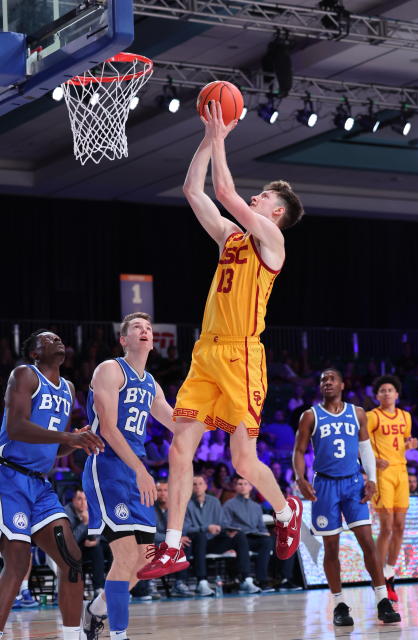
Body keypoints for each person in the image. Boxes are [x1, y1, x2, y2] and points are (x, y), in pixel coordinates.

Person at [138, 101, 304, 581]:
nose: (254, 198)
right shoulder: (231, 238)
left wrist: (222, 135)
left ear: (275, 211)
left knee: (242, 460)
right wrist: (208, 140)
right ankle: (171, 546)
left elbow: (226, 189)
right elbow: (194, 189)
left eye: (263, 196)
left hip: (241, 354)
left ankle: (286, 512)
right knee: (178, 447)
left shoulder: (271, 241)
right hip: (206, 352)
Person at [0, 329, 104, 640]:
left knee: (71, 558)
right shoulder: (24, 376)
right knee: (17, 560)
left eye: (59, 337)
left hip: (40, 486)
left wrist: (74, 442)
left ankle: (73, 634)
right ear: (34, 352)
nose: (56, 339)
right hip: (9, 477)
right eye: (47, 338)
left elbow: (53, 447)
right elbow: (17, 428)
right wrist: (67, 436)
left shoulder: (69, 388)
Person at [81, 312, 175, 640]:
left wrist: (218, 417)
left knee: (143, 562)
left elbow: (177, 423)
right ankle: (118, 634)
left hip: (135, 472)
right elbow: (107, 427)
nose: (145, 330)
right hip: (107, 467)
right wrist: (140, 470)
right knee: (123, 556)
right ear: (124, 340)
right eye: (137, 327)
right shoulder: (110, 369)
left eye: (149, 327)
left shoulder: (151, 383)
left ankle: (96, 610)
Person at [293, 368, 400, 627]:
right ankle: (339, 604)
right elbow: (299, 450)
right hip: (325, 486)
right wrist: (300, 478)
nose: (327, 382)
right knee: (331, 547)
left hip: (353, 483)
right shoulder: (310, 415)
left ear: (342, 384)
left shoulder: (357, 413)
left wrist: (371, 479)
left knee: (367, 541)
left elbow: (365, 448)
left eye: (332, 379)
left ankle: (382, 600)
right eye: (322, 380)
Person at [366, 374, 418, 602]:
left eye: (390, 390)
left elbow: (405, 440)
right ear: (377, 396)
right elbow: (361, 444)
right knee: (386, 526)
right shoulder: (371, 417)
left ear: (397, 394)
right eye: (382, 390)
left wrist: (411, 444)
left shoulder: (406, 417)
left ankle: (389, 572)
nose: (386, 393)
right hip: (382, 474)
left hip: (401, 472)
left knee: (399, 527)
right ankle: (378, 579)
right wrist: (373, 461)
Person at [184, 475, 261, 594]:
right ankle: (202, 582)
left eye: (200, 483)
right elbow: (186, 528)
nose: (198, 487)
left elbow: (222, 523)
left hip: (214, 540)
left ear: (205, 486)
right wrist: (206, 528)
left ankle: (246, 579)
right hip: (196, 543)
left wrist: (227, 531)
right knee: (200, 536)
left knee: (239, 535)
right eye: (194, 484)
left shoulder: (214, 501)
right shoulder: (185, 504)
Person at [222, 476, 274, 592]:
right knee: (242, 539)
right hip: (238, 538)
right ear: (235, 487)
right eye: (240, 484)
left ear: (251, 487)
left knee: (267, 541)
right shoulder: (229, 505)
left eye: (246, 484)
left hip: (253, 537)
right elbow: (225, 524)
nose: (243, 486)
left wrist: (265, 533)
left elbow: (261, 526)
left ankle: (262, 580)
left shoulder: (256, 506)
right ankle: (246, 579)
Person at [64, 487, 111, 596]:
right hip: (72, 550)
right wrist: (85, 523)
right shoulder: (66, 513)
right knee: (96, 550)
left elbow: (102, 531)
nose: (83, 503)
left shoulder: (93, 510)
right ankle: (99, 587)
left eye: (85, 499)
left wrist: (95, 539)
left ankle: (112, 585)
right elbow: (70, 540)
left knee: (109, 547)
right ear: (73, 500)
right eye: (79, 499)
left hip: (89, 547)